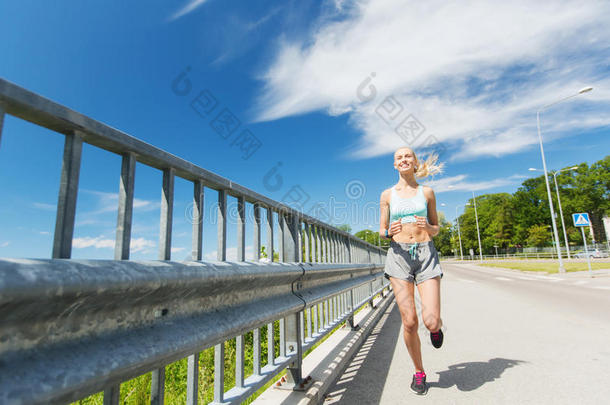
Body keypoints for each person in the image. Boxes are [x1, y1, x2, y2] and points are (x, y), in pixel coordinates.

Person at [379, 146, 445, 395]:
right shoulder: (387, 195)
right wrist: (389, 231)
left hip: (426, 254)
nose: (403, 159)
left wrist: (428, 225)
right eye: (399, 157)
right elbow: (382, 231)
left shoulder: (426, 192)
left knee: (430, 321)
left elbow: (437, 228)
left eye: (408, 156)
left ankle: (436, 330)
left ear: (415, 163)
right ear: (395, 165)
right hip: (398, 257)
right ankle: (419, 372)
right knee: (409, 321)